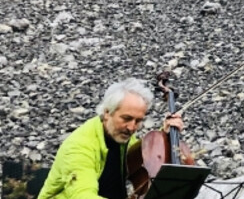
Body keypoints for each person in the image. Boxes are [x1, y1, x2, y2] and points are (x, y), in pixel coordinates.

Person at [38, 78, 185, 199]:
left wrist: (164, 135)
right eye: (126, 118)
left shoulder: (121, 136)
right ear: (107, 112)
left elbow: (140, 157)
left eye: (138, 121)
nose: (132, 127)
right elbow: (83, 195)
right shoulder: (79, 147)